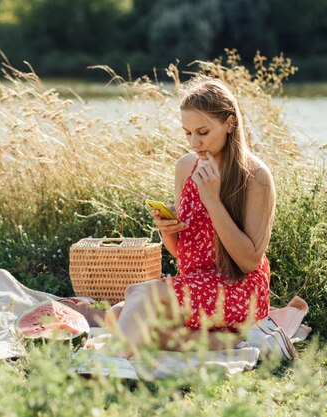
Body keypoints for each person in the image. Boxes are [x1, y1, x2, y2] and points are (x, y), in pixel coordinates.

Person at [101, 77, 307, 359]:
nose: (194, 142)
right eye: (187, 133)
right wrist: (167, 230)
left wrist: (211, 199)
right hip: (198, 285)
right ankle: (242, 343)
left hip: (240, 290)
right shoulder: (186, 167)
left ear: (229, 123)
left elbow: (248, 262)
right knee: (116, 316)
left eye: (203, 132)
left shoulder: (256, 177)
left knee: (139, 294)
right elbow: (181, 253)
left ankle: (109, 364)